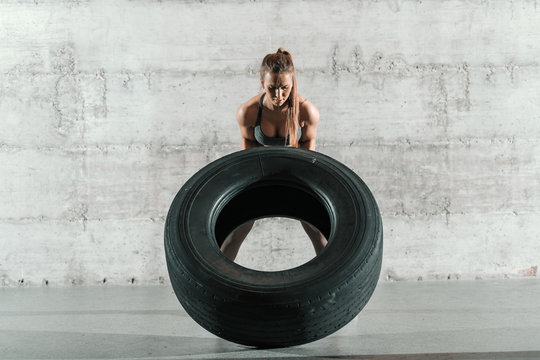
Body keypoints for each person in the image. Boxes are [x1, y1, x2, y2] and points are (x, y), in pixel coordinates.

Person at [220, 48, 328, 260]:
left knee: (316, 229)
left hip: (296, 173)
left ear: (293, 84)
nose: (279, 95)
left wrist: (293, 183)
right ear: (262, 83)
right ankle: (216, 281)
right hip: (260, 173)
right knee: (238, 228)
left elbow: (308, 157)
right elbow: (248, 153)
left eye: (285, 88)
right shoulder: (248, 112)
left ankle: (336, 283)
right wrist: (260, 183)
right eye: (272, 88)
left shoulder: (307, 112)